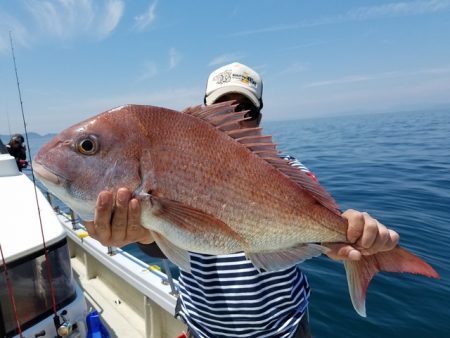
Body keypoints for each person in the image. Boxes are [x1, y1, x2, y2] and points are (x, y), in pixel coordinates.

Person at [85, 62, 399, 338]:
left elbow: (324, 236)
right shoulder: (169, 167)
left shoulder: (290, 170)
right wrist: (141, 232)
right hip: (205, 330)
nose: (236, 120)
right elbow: (164, 242)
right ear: (201, 115)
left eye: (245, 112)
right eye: (223, 111)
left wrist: (350, 231)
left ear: (259, 117)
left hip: (286, 329)